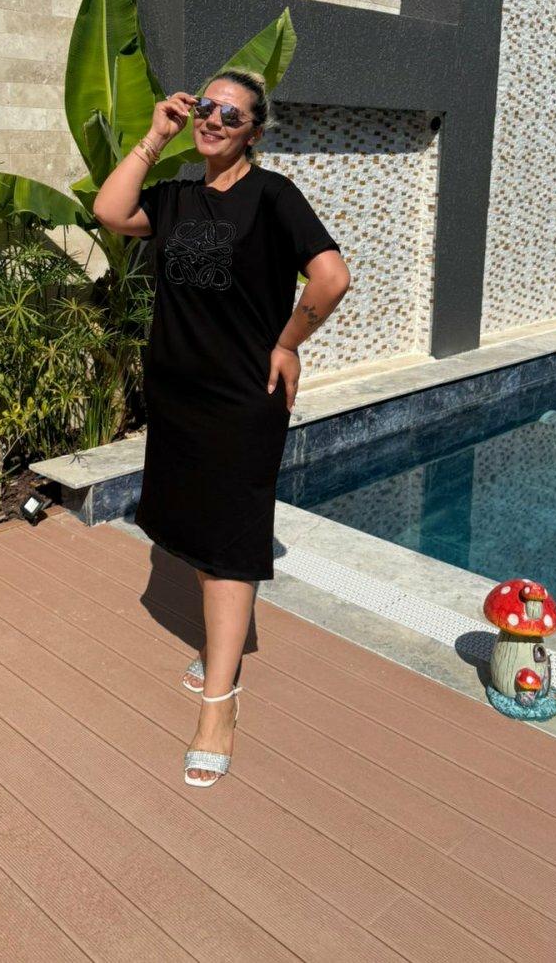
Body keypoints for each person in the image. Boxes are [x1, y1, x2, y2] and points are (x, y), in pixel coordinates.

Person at [93, 68, 350, 787]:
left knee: (230, 544)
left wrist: (288, 342)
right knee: (199, 534)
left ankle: (219, 707)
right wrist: (155, 137)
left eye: (231, 115)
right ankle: (220, 652)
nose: (213, 120)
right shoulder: (174, 197)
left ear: (254, 132)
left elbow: (330, 277)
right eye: (206, 106)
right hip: (178, 397)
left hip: (241, 400)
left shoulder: (272, 196)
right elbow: (109, 210)